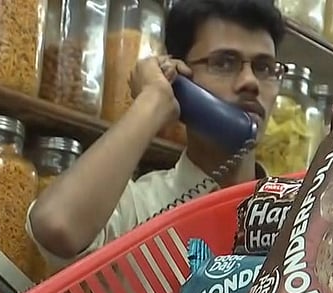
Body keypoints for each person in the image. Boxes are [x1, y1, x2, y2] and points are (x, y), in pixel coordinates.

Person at [26, 0, 287, 274]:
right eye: (224, 63)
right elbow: (57, 225)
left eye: (264, 67)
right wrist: (154, 97)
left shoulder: (299, 214)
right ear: (180, 75)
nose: (250, 82)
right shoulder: (139, 206)